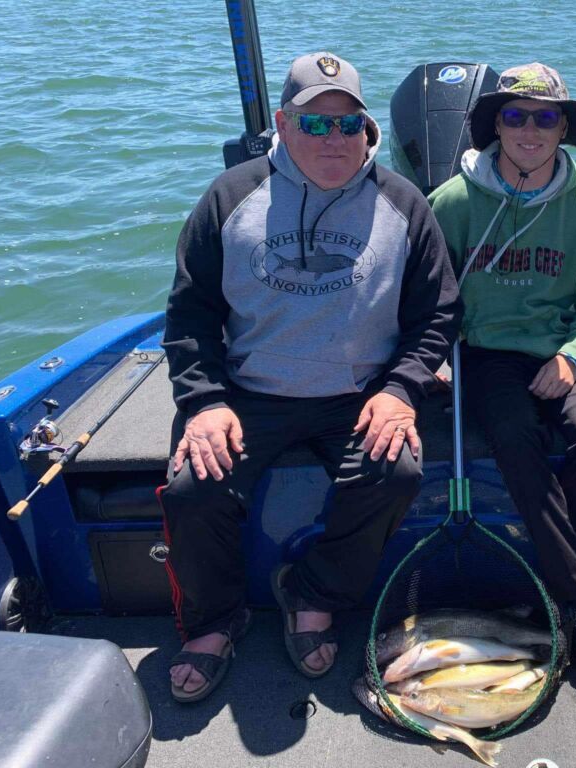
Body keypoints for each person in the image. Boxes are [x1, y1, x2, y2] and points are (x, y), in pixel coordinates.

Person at [159, 51, 460, 702]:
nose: (334, 139)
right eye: (315, 124)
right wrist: (205, 401)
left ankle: (313, 590)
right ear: (282, 124)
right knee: (191, 488)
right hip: (249, 391)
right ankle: (216, 620)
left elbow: (438, 313)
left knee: (396, 472)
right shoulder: (230, 198)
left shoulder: (403, 203)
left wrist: (402, 388)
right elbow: (189, 315)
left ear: (368, 130)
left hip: (361, 390)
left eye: (347, 125)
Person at [428, 63, 576, 684]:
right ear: (496, 126)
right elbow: (427, 292)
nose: (530, 130)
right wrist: (435, 350)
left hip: (566, 347)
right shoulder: (454, 201)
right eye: (515, 116)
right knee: (514, 435)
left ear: (563, 127)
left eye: (545, 117)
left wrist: (571, 353)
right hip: (488, 352)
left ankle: (573, 580)